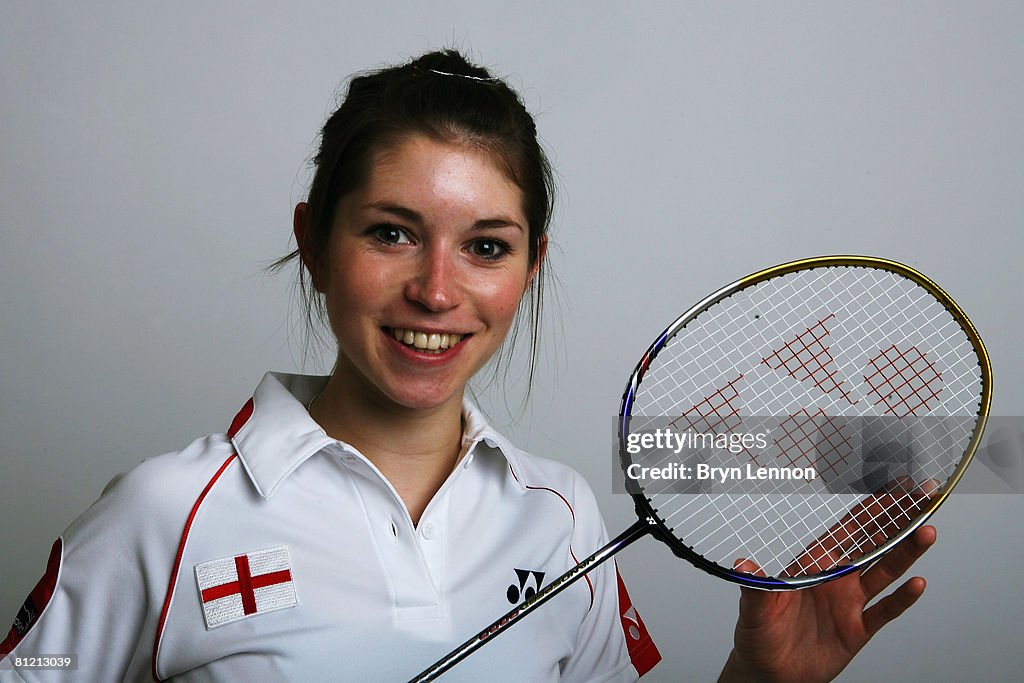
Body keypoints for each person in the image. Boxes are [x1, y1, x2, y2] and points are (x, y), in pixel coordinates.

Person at [0, 49, 935, 682]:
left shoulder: (561, 513)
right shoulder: (166, 513)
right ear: (315, 241)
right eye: (392, 233)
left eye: (487, 246)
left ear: (529, 268)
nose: (438, 290)